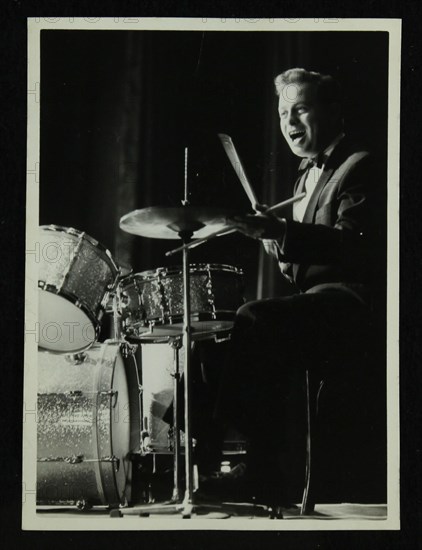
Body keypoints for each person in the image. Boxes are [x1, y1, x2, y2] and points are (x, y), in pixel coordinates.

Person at [196, 67, 386, 505]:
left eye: (300, 109)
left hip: (357, 302)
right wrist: (274, 241)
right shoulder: (304, 178)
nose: (290, 123)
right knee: (214, 335)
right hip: (319, 301)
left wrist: (281, 230)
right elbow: (302, 268)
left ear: (333, 110)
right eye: (284, 114)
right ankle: (216, 455)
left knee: (257, 316)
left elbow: (352, 247)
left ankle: (259, 469)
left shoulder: (362, 164)